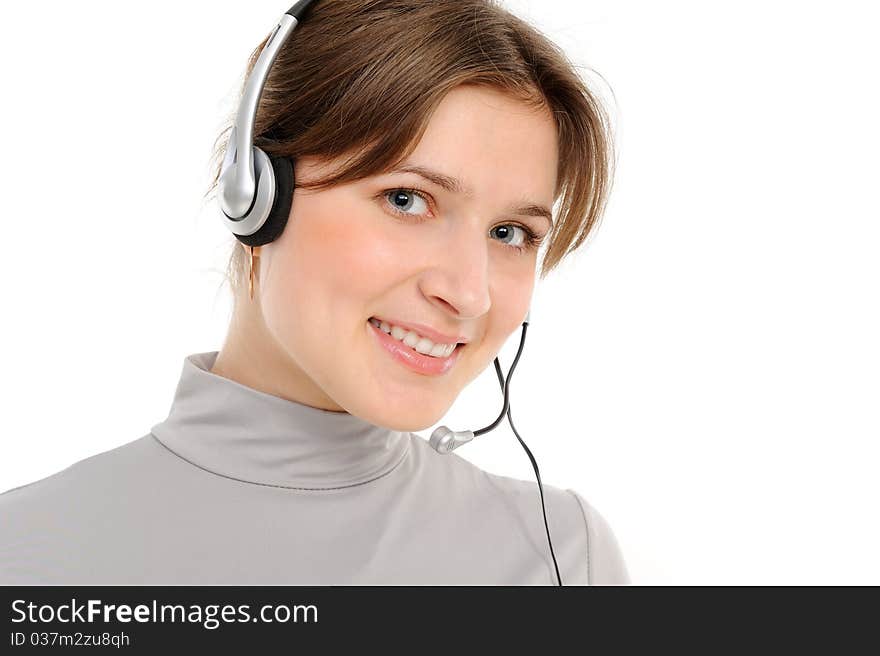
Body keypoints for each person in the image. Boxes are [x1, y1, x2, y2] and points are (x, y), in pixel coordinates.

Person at [0, 0, 629, 585]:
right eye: (406, 200)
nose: (469, 293)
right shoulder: (25, 555)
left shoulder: (559, 557)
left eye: (510, 232)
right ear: (253, 194)